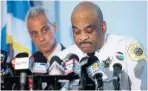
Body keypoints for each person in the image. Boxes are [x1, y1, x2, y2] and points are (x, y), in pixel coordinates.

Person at [56, 1, 147, 90]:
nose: (82, 37)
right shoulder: (64, 58)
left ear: (103, 27)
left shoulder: (126, 47)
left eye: (89, 30)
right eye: (77, 32)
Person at [26, 6, 65, 90]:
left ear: (55, 27)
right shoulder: (29, 65)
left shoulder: (72, 60)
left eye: (44, 30)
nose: (41, 38)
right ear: (30, 36)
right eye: (34, 33)